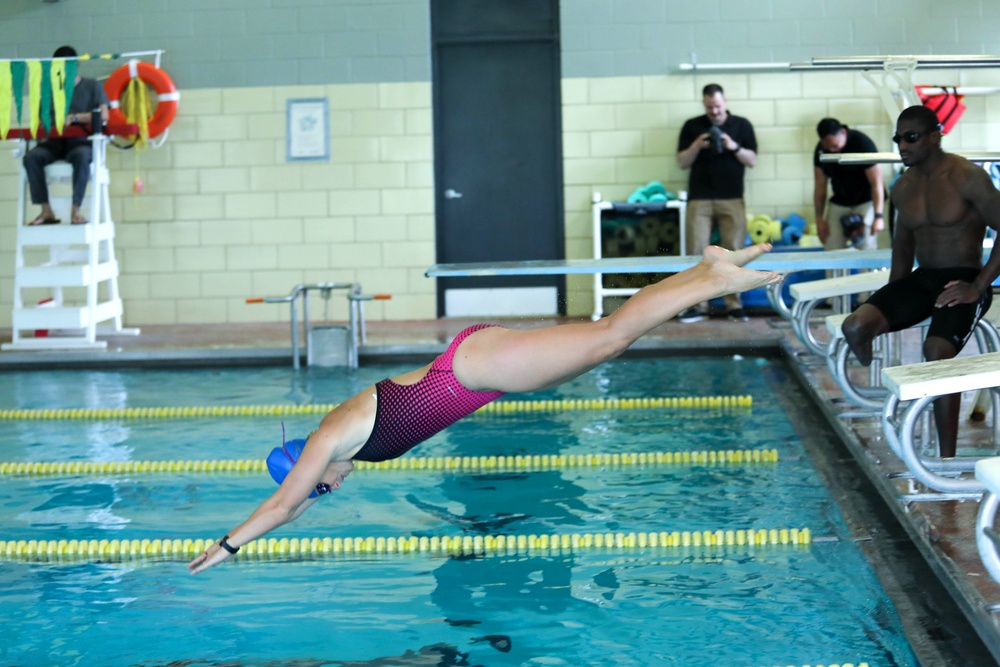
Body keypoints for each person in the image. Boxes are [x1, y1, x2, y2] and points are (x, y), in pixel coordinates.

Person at [187, 243, 782, 574]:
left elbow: (283, 504)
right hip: (478, 371)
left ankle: (710, 277)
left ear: (308, 470)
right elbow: (295, 504)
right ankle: (706, 273)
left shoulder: (328, 440)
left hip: (471, 368)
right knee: (607, 341)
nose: (331, 489)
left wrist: (229, 544)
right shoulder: (337, 445)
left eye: (323, 487)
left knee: (606, 336)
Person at [842, 105, 1000, 458]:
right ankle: (883, 380)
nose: (902, 145)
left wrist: (978, 287)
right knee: (855, 327)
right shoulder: (903, 187)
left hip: (965, 278)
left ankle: (945, 459)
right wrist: (890, 296)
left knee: (937, 352)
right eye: (898, 138)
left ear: (934, 136)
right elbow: (902, 244)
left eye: (910, 138)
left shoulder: (966, 176)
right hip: (922, 279)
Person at [675, 83, 758, 323]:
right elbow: (682, 162)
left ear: (726, 102)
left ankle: (733, 305)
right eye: (710, 107)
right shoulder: (692, 126)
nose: (714, 111)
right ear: (704, 104)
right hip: (699, 199)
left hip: (732, 197)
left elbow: (752, 160)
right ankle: (697, 305)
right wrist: (696, 146)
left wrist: (734, 146)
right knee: (696, 254)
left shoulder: (742, 125)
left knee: (733, 252)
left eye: (718, 106)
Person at [22, 45, 109, 226]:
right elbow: (40, 122)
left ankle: (75, 209)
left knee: (82, 155)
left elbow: (103, 116)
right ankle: (46, 210)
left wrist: (75, 117)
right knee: (31, 157)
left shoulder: (92, 86)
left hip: (80, 143)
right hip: (54, 143)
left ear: (75, 66)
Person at [813, 118, 885, 250]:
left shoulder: (862, 144)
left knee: (867, 247)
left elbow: (877, 183)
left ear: (843, 133)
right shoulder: (821, 151)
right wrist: (819, 219)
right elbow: (820, 187)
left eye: (835, 146)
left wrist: (878, 216)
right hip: (840, 201)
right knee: (831, 246)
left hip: (866, 200)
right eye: (828, 147)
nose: (832, 151)